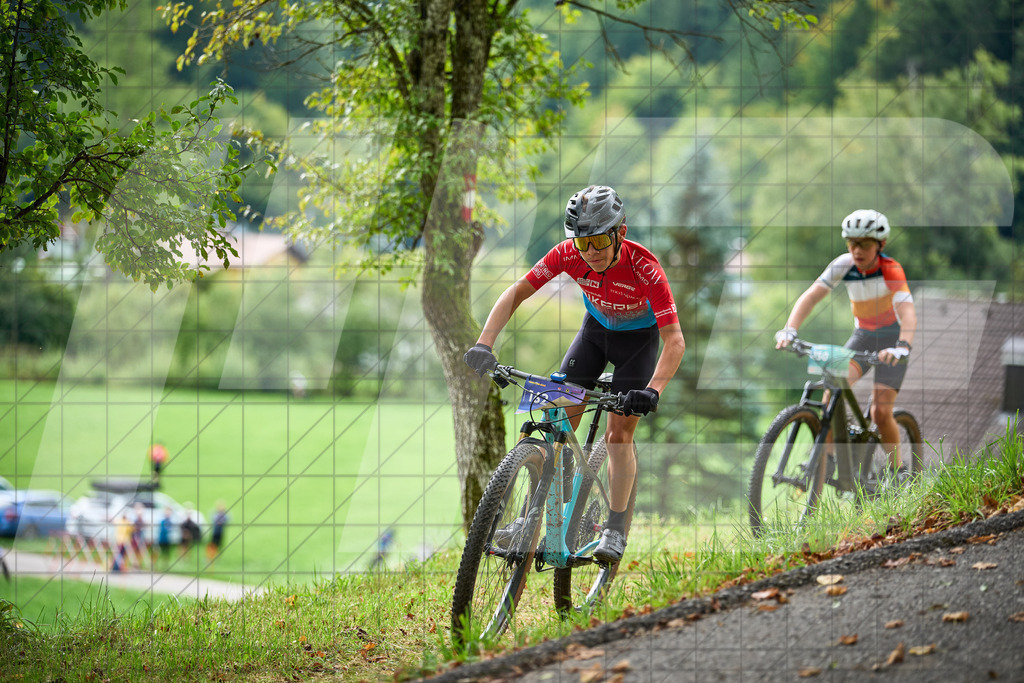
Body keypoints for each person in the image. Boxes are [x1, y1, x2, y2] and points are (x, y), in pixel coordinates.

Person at [464, 185, 685, 564]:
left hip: (637, 345)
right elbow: (517, 292)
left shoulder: (644, 267)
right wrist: (485, 343)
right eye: (583, 244)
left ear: (621, 233)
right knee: (558, 420)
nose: (592, 253)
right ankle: (532, 518)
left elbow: (675, 341)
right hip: (595, 335)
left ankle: (615, 527)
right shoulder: (569, 254)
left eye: (600, 240)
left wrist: (653, 390)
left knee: (618, 435)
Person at [774, 209, 917, 479]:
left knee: (880, 411)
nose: (856, 250)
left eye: (864, 243)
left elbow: (908, 312)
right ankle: (826, 463)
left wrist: (902, 346)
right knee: (832, 388)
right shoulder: (844, 264)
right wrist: (789, 329)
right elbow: (811, 297)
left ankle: (898, 471)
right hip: (863, 335)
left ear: (880, 245)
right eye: (851, 243)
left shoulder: (890, 270)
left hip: (892, 342)